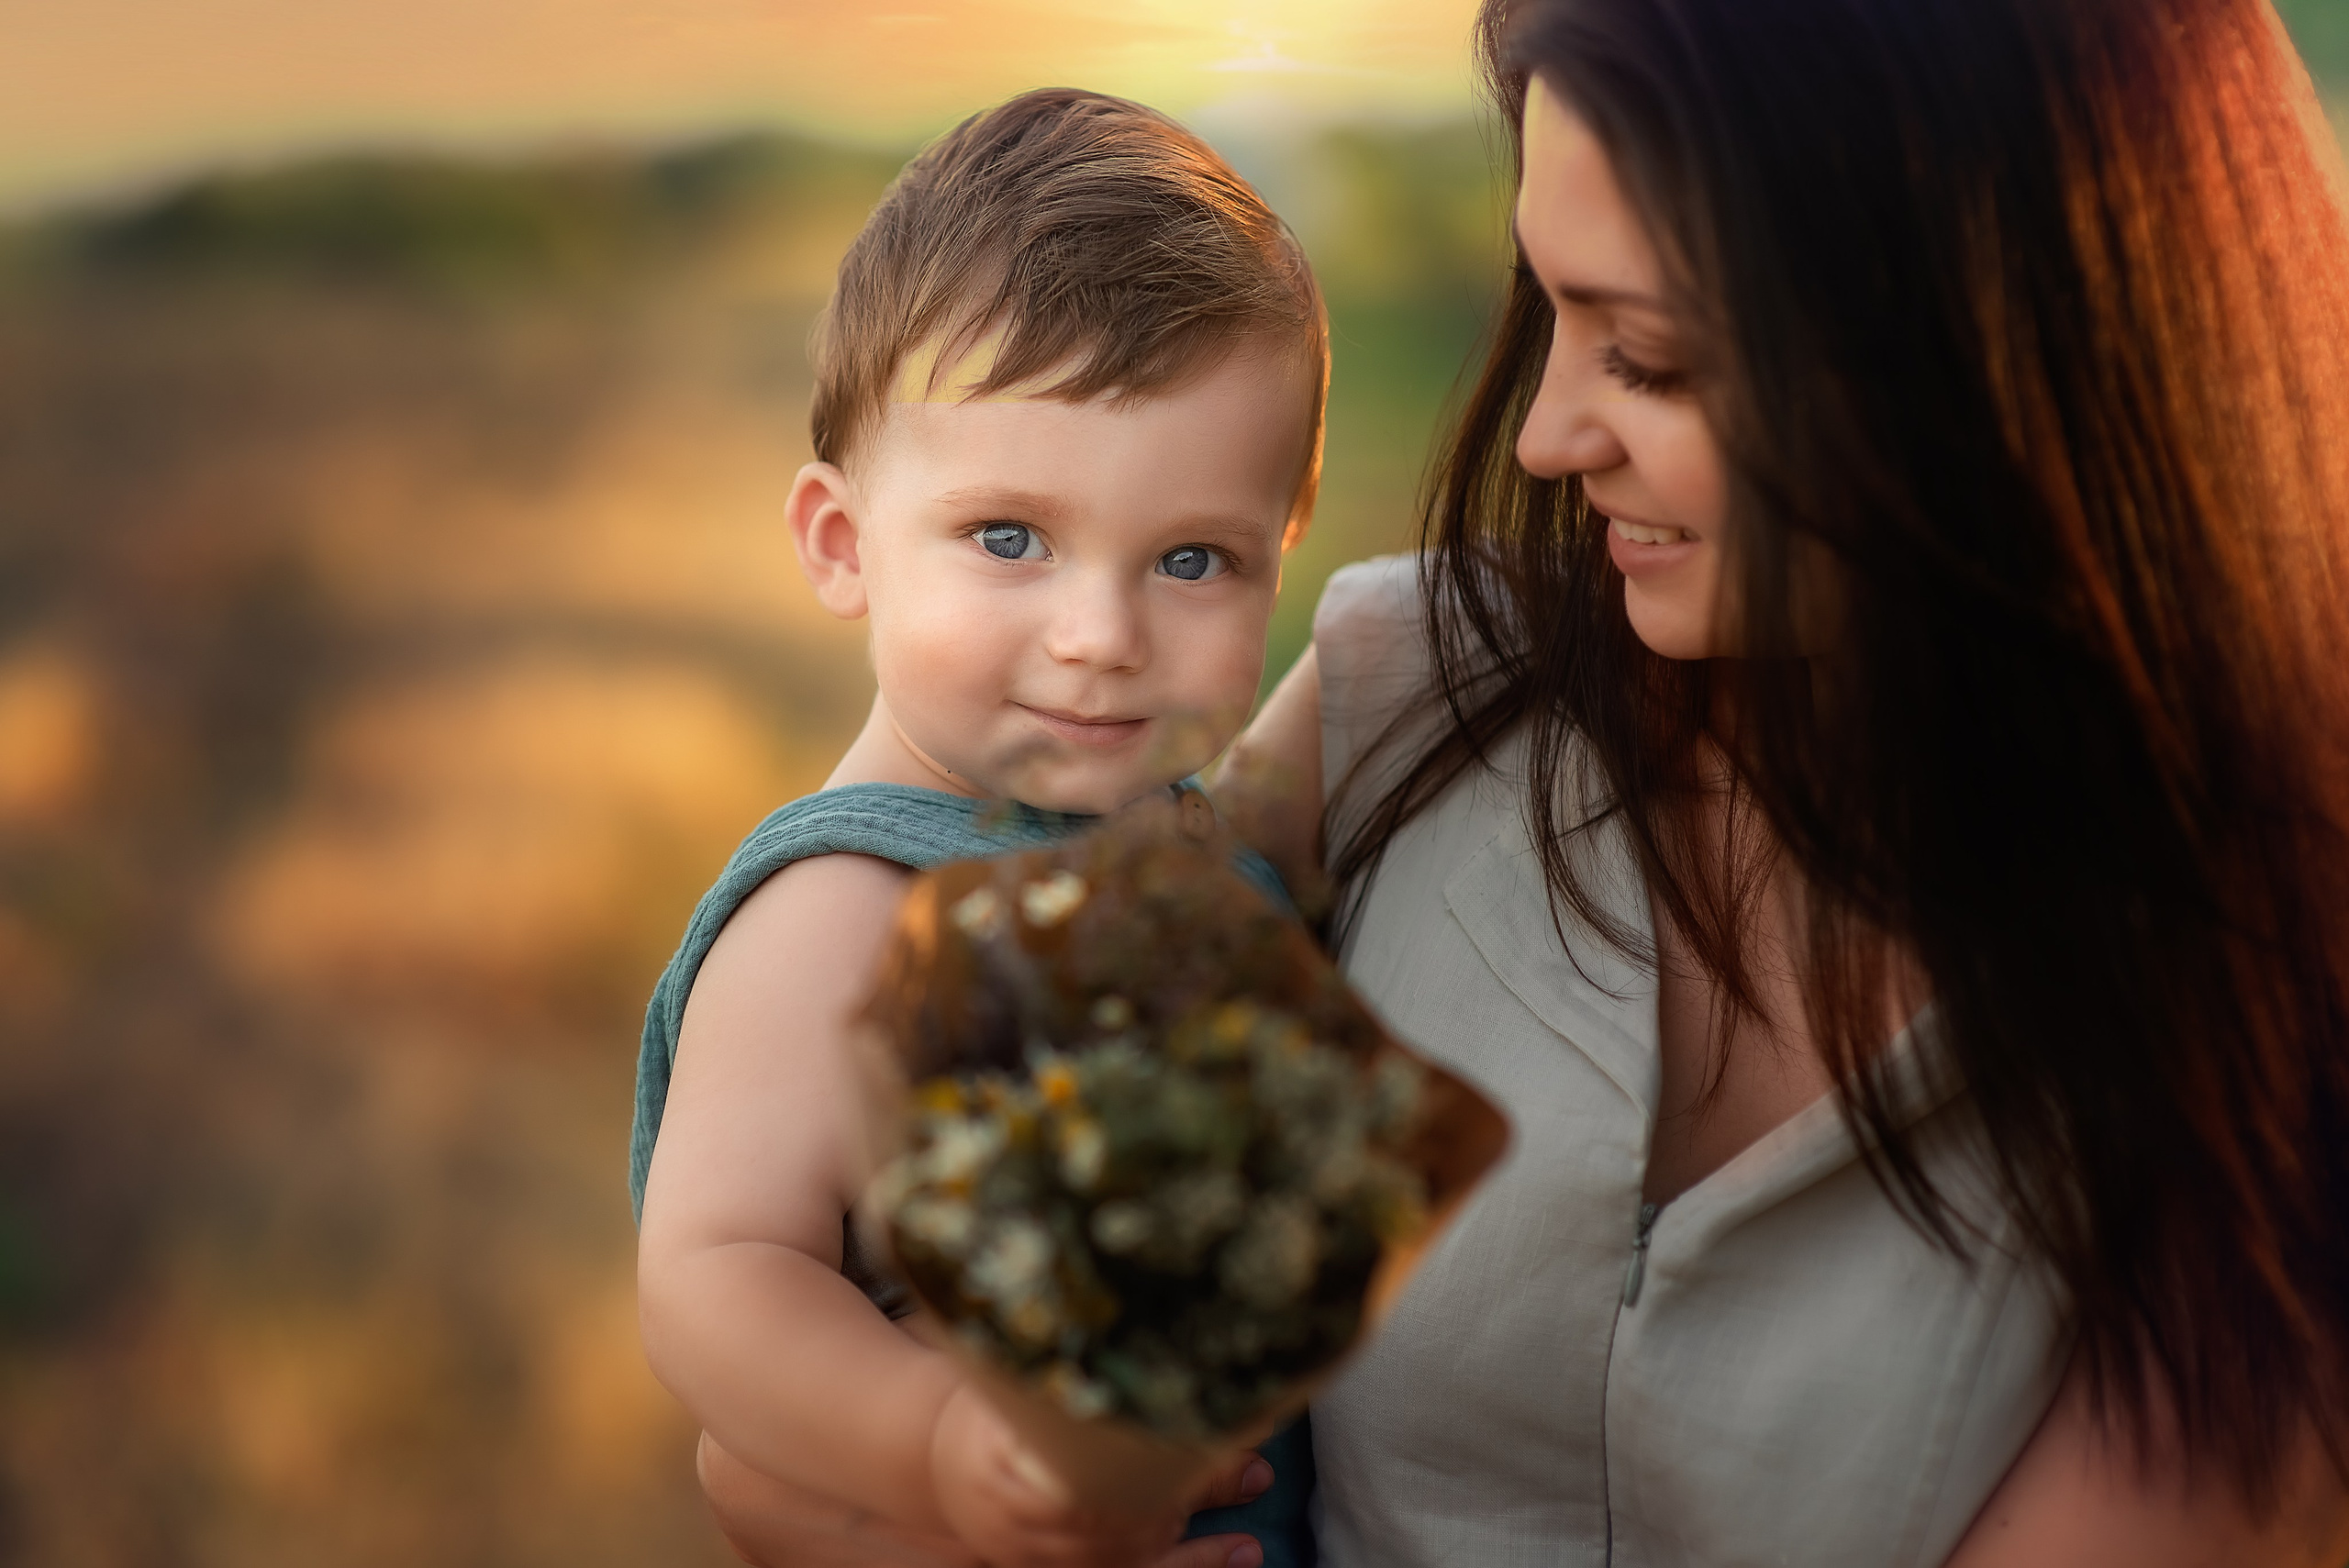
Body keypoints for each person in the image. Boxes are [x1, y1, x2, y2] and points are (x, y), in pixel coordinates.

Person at [1212, 0, 2349, 1562]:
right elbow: (926, 1209)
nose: (1542, 435)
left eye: (1654, 355)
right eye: (1547, 308)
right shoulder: (1398, 696)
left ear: (1998, 346)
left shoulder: (2268, 1004)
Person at [633, 89, 1326, 1568]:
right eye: (1010, 538)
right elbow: (715, 1273)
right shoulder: (840, 910)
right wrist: (934, 1443)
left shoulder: (1197, 837)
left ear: (1287, 549)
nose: (1100, 635)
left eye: (1192, 558)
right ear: (843, 543)